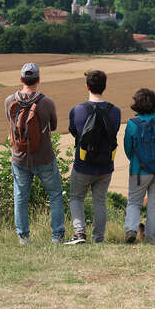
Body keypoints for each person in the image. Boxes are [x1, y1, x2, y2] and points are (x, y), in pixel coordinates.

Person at [5, 63, 65, 244]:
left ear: (21, 79)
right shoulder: (46, 102)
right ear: (38, 80)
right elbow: (53, 126)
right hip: (44, 156)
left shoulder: (9, 100)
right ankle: (57, 237)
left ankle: (23, 237)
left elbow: (11, 122)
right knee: (55, 195)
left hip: (19, 158)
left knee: (20, 197)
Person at [65, 70, 121, 245]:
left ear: (87, 86)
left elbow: (74, 132)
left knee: (76, 198)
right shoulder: (116, 111)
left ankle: (80, 234)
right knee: (100, 201)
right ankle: (98, 238)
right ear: (104, 87)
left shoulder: (77, 110)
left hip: (83, 164)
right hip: (106, 165)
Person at [123, 88, 155, 243]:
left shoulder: (132, 124)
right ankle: (151, 238)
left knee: (134, 202)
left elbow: (127, 148)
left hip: (138, 172)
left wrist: (138, 161)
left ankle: (131, 230)